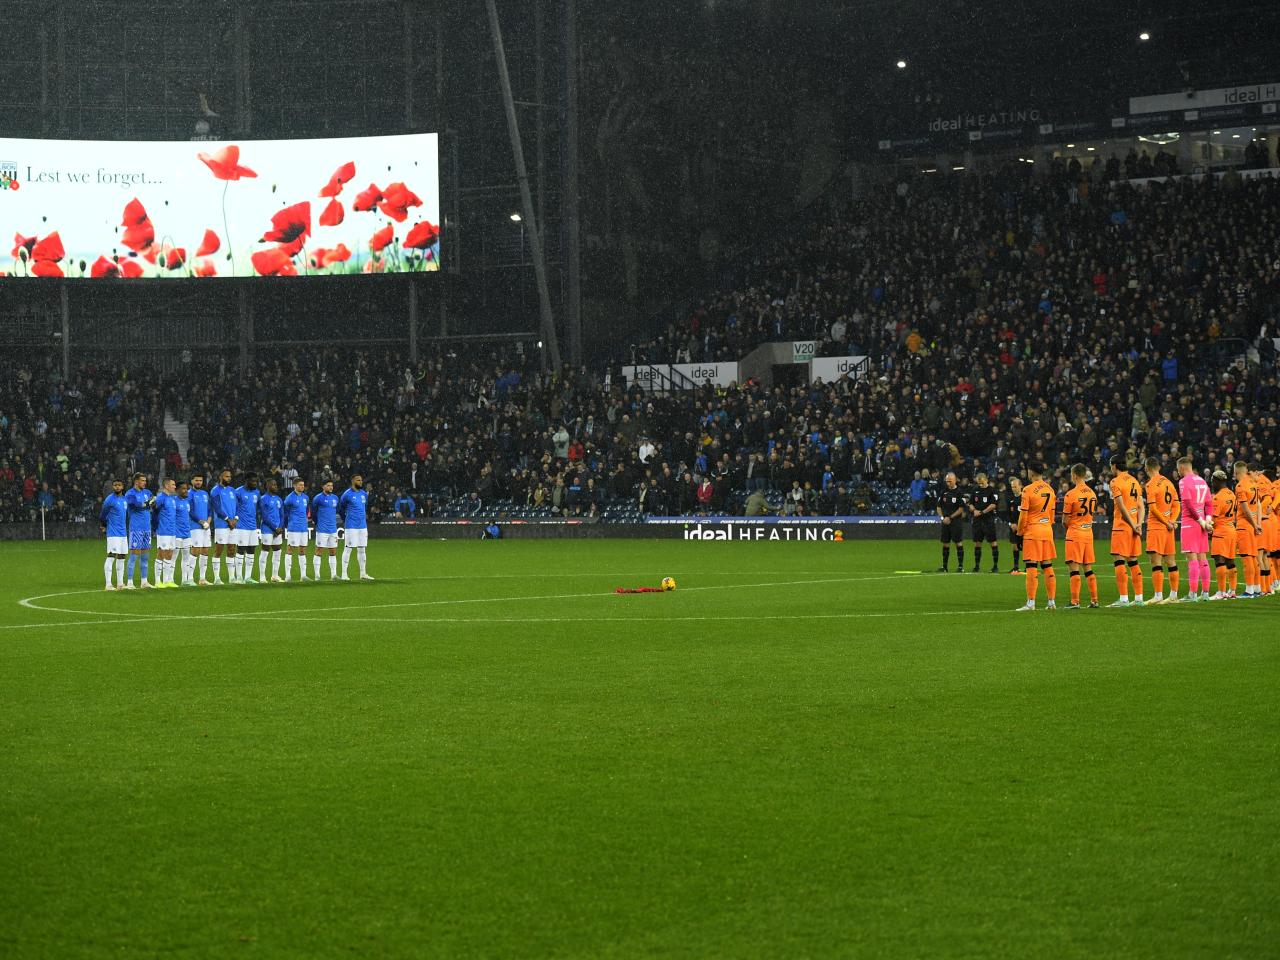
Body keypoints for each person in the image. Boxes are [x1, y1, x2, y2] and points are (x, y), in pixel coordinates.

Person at [1015, 461, 1057, 611]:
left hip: (1033, 531)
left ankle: (1031, 603)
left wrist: (1019, 533)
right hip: (1047, 531)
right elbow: (1052, 516)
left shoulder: (1027, 490)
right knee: (1047, 566)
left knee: (1031, 566)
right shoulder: (1051, 489)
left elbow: (1023, 516)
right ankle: (1051, 602)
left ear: (1031, 472)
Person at [1108, 456, 1146, 607]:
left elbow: (1122, 507)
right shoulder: (1134, 481)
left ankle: (1123, 599)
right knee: (1133, 561)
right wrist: (1139, 524)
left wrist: (1132, 524)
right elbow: (1141, 506)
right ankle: (1139, 598)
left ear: (1115, 466)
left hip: (1122, 526)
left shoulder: (1115, 482)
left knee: (1119, 561)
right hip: (1135, 526)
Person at [1061, 464, 1100, 609]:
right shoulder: (1092, 493)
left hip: (1075, 533)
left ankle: (1074, 601)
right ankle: (1094, 600)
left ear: (1074, 476)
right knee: (1088, 568)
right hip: (1088, 533)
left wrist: (1070, 529)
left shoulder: (1071, 494)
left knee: (1074, 568)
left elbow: (1065, 520)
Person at [1143, 457, 1181, 604]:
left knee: (1156, 561)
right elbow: (1177, 504)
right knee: (1171, 561)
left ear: (1147, 468)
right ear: (1158, 467)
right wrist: (1172, 520)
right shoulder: (1168, 482)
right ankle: (1173, 595)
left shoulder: (1150, 484)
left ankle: (1158, 596)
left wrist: (1167, 522)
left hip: (1157, 527)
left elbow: (1153, 509)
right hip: (1168, 528)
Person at [1175, 457, 1213, 602]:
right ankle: (1205, 593)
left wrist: (1201, 521)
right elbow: (1209, 504)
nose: (1178, 472)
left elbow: (1188, 504)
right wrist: (1207, 521)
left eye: (1178, 469)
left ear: (1183, 468)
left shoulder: (1184, 481)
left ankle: (1192, 594)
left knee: (1191, 558)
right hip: (1202, 524)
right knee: (1202, 557)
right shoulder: (1202, 481)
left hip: (1191, 523)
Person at [1234, 461, 1263, 598]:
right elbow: (1258, 505)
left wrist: (1253, 524)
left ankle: (1249, 590)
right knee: (1254, 558)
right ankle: (1257, 589)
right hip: (1253, 526)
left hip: (1245, 526)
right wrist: (1258, 524)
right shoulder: (1254, 485)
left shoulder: (1240, 486)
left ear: (1236, 473)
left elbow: (1245, 510)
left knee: (1247, 558)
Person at [338, 473, 373, 581]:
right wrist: (346, 519)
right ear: (353, 481)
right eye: (358, 480)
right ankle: (344, 574)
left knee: (362, 549)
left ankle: (363, 573)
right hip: (351, 526)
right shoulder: (347, 494)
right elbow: (341, 508)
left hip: (362, 526)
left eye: (361, 480)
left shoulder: (364, 494)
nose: (360, 482)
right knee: (348, 548)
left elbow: (364, 507)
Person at [1209, 471, 1238, 599]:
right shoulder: (1231, 494)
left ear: (1216, 481)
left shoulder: (1217, 497)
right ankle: (1232, 591)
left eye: (1212, 482)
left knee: (1219, 561)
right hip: (1232, 530)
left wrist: (1208, 528)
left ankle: (1221, 592)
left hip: (1221, 531)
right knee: (1231, 562)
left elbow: (1214, 519)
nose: (1212, 485)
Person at [123, 472, 154, 589]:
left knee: (145, 556)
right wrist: (146, 504)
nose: (145, 483)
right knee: (134, 556)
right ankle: (130, 582)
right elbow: (135, 504)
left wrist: (149, 503)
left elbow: (152, 501)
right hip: (136, 528)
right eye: (142, 481)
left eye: (145, 481)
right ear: (136, 482)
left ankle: (144, 582)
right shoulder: (130, 493)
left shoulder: (147, 492)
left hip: (147, 528)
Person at [210, 468, 238, 586]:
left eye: (230, 477)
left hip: (233, 525)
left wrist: (235, 519)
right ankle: (217, 578)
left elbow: (237, 506)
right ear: (221, 477)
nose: (229, 478)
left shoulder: (232, 490)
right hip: (222, 524)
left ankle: (232, 577)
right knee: (219, 550)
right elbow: (217, 507)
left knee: (231, 549)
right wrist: (228, 520)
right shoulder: (215, 491)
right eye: (227, 476)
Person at [968, 472, 1000, 573]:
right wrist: (974, 510)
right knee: (978, 543)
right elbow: (970, 504)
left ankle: (995, 566)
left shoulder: (992, 490)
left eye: (982, 482)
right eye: (979, 483)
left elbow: (993, 505)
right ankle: (977, 566)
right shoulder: (975, 490)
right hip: (977, 521)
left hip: (988, 520)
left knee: (993, 542)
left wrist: (981, 512)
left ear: (986, 480)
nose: (980, 484)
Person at [99, 478, 127, 591]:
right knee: (111, 556)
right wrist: (104, 526)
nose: (117, 487)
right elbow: (102, 515)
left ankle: (120, 583)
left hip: (123, 533)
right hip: (113, 533)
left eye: (119, 485)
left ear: (122, 487)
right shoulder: (109, 500)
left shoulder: (124, 500)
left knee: (122, 557)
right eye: (115, 485)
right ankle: (108, 584)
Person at [935, 471, 966, 573]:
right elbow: (938, 507)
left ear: (955, 480)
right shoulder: (944, 491)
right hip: (945, 522)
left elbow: (961, 509)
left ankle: (961, 566)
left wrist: (950, 518)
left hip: (955, 522)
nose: (948, 483)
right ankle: (944, 567)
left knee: (958, 543)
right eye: (947, 481)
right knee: (945, 543)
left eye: (950, 481)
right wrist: (943, 518)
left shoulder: (959, 492)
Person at [233, 473, 261, 585]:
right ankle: (239, 577)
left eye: (256, 481)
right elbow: (234, 507)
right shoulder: (238, 492)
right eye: (253, 481)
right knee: (240, 550)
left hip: (253, 526)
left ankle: (248, 577)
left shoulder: (257, 492)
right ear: (247, 480)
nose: (255, 483)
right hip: (241, 526)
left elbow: (257, 508)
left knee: (251, 551)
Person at [152, 477, 180, 588]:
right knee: (161, 554)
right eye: (173, 484)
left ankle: (167, 580)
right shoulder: (161, 498)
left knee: (169, 555)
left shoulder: (172, 498)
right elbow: (154, 511)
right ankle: (158, 581)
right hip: (163, 531)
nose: (174, 486)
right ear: (167, 486)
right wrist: (155, 527)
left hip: (172, 531)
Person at [282, 477, 311, 582]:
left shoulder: (306, 497)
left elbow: (307, 509)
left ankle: (303, 576)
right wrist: (287, 523)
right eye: (300, 485)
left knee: (303, 550)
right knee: (290, 550)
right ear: (294, 486)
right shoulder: (289, 498)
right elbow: (285, 512)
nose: (302, 487)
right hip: (293, 528)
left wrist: (306, 519)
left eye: (303, 485)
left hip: (304, 527)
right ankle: (287, 576)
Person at [311, 478, 341, 580]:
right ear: (323, 487)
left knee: (333, 551)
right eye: (328, 485)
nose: (330, 487)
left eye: (331, 485)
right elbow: (313, 512)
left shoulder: (335, 498)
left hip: (333, 529)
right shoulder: (318, 498)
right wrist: (317, 522)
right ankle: (317, 575)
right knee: (319, 551)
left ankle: (333, 575)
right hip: (322, 529)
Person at [257, 478, 285, 584]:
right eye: (273, 485)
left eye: (276, 484)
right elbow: (264, 516)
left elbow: (282, 515)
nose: (275, 486)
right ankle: (262, 577)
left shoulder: (279, 499)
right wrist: (275, 528)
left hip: (278, 529)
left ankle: (275, 576)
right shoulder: (263, 499)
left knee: (277, 552)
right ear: (267, 486)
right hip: (267, 529)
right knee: (265, 552)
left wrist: (280, 527)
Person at [187, 472, 213, 585]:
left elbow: (209, 510)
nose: (198, 482)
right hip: (195, 527)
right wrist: (201, 522)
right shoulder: (189, 494)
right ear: (192, 481)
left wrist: (208, 521)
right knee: (195, 551)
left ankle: (202, 579)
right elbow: (190, 511)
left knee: (205, 551)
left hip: (206, 527)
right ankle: (189, 578)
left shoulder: (205, 494)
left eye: (200, 480)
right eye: (196, 480)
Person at [174, 479, 195, 586]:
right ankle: (169, 580)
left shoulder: (187, 501)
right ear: (177, 490)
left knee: (186, 557)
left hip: (187, 533)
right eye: (183, 489)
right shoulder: (173, 501)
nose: (186, 491)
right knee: (173, 558)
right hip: (176, 534)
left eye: (186, 488)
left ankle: (184, 580)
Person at [1003, 475, 1024, 574]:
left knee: (1026, 547)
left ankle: (1029, 566)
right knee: (1014, 545)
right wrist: (1011, 524)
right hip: (1013, 528)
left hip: (1024, 527)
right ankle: (1016, 567)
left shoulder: (1025, 498)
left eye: (1015, 486)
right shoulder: (1010, 499)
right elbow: (1007, 514)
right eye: (1012, 487)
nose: (1013, 489)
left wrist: (1020, 525)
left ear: (1020, 486)